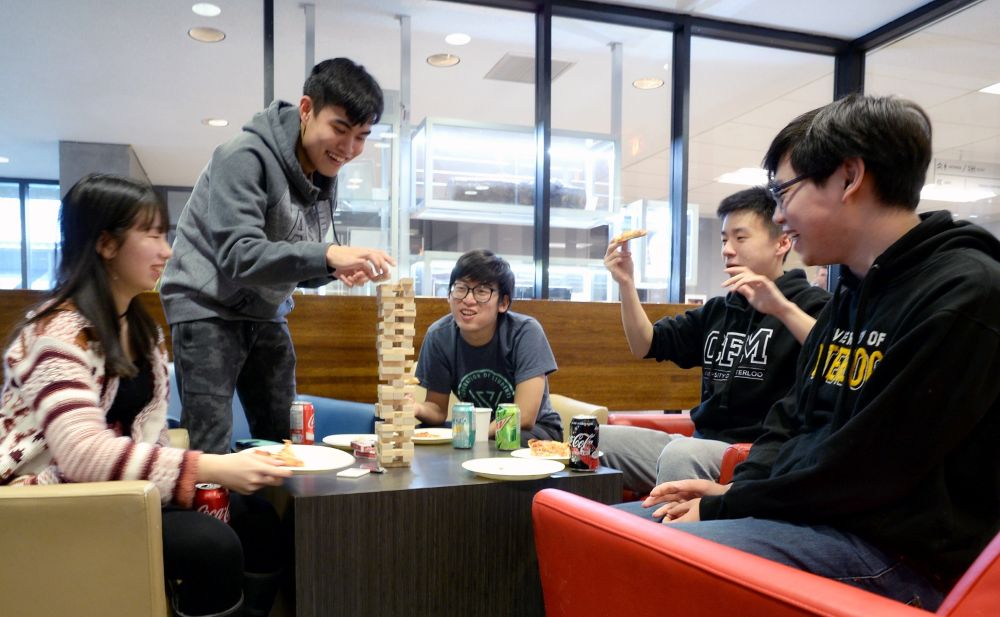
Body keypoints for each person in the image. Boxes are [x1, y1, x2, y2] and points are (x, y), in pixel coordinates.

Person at [632, 94, 1000, 610]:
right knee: (627, 525)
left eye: (785, 192)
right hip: (821, 518)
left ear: (849, 177)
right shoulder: (852, 290)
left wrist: (732, 505)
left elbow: (869, 468)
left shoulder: (965, 292)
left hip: (898, 552)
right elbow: (792, 420)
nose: (779, 215)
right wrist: (733, 493)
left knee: (650, 556)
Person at [0, 174, 294, 617]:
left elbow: (148, 437)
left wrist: (207, 481)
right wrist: (212, 468)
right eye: (152, 234)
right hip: (42, 500)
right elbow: (81, 453)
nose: (168, 250)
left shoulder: (143, 331)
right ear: (105, 244)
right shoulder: (56, 332)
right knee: (210, 546)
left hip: (118, 493)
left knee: (258, 521)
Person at [160, 58, 395, 454]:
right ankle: (208, 517)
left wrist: (332, 269)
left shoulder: (322, 171)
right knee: (210, 442)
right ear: (306, 110)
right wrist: (328, 254)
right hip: (206, 307)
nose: (350, 149)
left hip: (265, 311)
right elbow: (240, 255)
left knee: (285, 440)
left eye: (362, 136)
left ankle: (272, 517)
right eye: (340, 129)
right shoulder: (243, 155)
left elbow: (291, 259)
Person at [600, 187, 829, 494]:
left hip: (758, 455)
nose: (727, 249)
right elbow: (645, 344)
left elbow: (830, 351)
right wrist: (626, 284)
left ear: (782, 242)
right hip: (700, 443)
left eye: (740, 237)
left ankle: (667, 542)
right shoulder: (720, 310)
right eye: (724, 240)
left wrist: (781, 309)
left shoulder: (810, 304)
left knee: (682, 454)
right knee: (595, 436)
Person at [413, 249, 563, 444]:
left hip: (534, 431)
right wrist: (414, 408)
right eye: (460, 288)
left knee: (505, 439)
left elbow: (524, 416)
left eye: (482, 291)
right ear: (449, 295)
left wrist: (473, 435)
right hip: (476, 429)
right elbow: (437, 409)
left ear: (503, 303)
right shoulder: (439, 336)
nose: (468, 299)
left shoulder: (525, 332)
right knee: (423, 431)